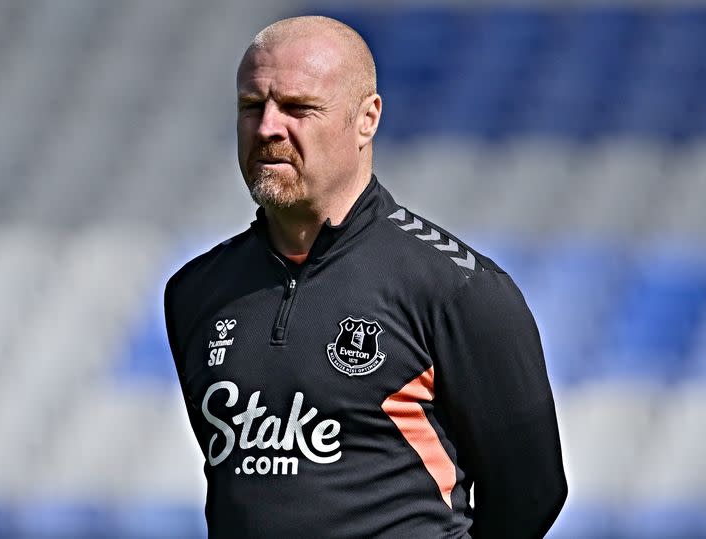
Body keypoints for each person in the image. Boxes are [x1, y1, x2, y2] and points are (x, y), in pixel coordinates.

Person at [164, 15, 567, 539]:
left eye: (297, 107)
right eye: (251, 106)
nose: (267, 127)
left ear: (366, 118)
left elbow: (532, 495)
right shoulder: (196, 292)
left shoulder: (456, 287)